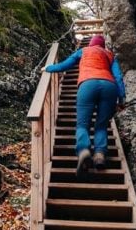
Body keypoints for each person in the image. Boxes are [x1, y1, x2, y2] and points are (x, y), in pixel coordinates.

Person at [44, 34, 126, 175]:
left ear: (91, 44)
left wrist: (48, 68)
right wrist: (122, 97)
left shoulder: (83, 51)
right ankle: (100, 154)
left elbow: (66, 65)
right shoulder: (109, 54)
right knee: (101, 124)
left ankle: (84, 150)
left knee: (82, 124)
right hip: (109, 86)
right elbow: (118, 77)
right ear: (102, 45)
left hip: (88, 84)